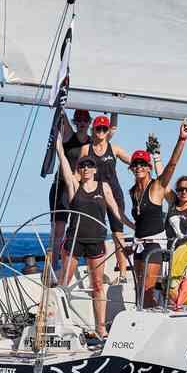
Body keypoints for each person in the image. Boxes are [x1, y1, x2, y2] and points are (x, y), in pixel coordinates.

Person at [55, 135, 132, 340]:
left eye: (90, 166)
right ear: (79, 170)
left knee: (98, 286)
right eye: (83, 166)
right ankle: (56, 325)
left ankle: (100, 328)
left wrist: (131, 224)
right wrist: (58, 147)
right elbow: (63, 163)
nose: (86, 168)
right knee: (63, 284)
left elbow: (115, 210)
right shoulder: (74, 186)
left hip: (96, 241)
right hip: (74, 242)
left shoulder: (104, 187)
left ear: (95, 169)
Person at [130, 121, 187, 308]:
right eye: (135, 164)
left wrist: (181, 140)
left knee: (148, 291)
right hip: (138, 245)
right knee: (139, 291)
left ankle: (146, 329)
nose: (139, 167)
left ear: (148, 167)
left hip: (154, 245)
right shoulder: (132, 191)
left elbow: (171, 165)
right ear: (131, 168)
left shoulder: (156, 186)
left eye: (142, 164)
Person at [79, 114, 131, 281]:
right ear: (93, 130)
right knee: (93, 233)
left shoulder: (114, 149)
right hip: (95, 196)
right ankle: (93, 268)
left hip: (114, 194)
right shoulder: (86, 149)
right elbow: (78, 172)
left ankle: (122, 272)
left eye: (104, 128)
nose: (101, 131)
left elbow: (135, 162)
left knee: (118, 234)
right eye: (98, 128)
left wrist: (151, 160)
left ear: (108, 131)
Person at [49, 109, 92, 268]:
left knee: (84, 229)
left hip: (79, 188)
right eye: (79, 121)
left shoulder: (91, 142)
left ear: (89, 123)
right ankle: (53, 266)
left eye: (84, 121)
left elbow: (110, 133)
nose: (81, 123)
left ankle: (87, 265)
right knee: (58, 231)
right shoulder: (69, 136)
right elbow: (61, 112)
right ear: (75, 122)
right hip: (61, 187)